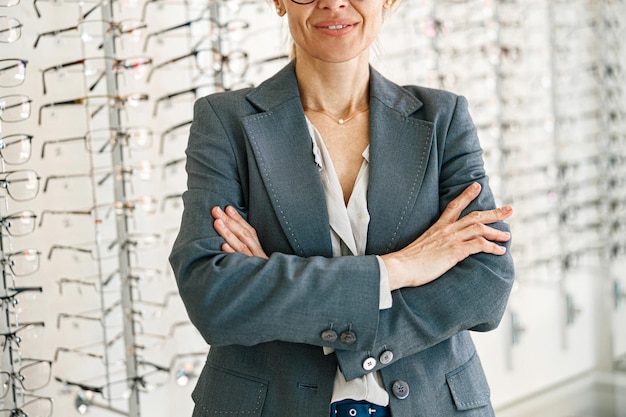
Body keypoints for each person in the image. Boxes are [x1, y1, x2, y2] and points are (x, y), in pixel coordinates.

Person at [169, 0, 515, 416]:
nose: (333, 2)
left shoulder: (443, 118)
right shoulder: (225, 123)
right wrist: (400, 268)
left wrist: (279, 287)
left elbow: (485, 284)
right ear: (279, 2)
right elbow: (213, 293)